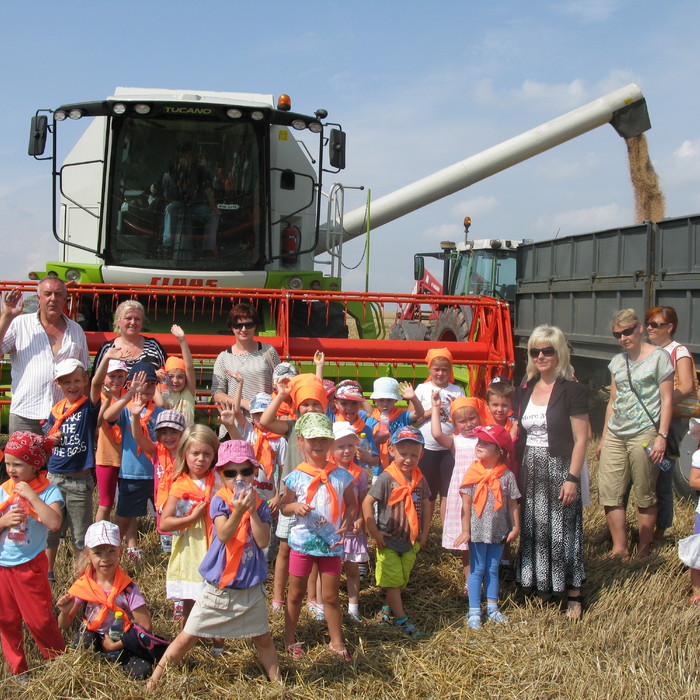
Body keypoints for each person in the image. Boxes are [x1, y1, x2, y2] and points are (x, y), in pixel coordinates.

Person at [147, 441, 280, 688]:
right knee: (188, 636)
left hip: (249, 584)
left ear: (254, 472)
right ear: (221, 474)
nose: (238, 477)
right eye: (230, 473)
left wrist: (251, 512)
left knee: (263, 639)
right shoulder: (220, 500)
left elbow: (262, 541)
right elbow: (225, 534)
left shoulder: (260, 504)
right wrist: (238, 512)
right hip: (220, 585)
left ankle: (279, 685)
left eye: (245, 472)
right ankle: (153, 682)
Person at [515, 324, 590, 620]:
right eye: (535, 351)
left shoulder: (572, 389)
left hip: (560, 465)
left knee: (563, 529)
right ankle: (542, 584)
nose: (541, 356)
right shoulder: (527, 388)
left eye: (547, 350)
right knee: (535, 526)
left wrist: (572, 478)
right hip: (531, 467)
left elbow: (582, 438)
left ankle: (573, 592)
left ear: (559, 353)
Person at [279, 412, 356, 661]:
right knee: (295, 593)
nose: (319, 445)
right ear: (301, 441)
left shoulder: (342, 476)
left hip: (331, 544)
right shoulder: (296, 476)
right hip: (302, 543)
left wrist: (347, 522)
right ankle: (290, 637)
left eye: (324, 439)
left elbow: (352, 504)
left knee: (332, 595)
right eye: (313, 439)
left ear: (330, 442)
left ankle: (336, 641)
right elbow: (284, 506)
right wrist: (295, 508)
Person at [597, 310, 673, 561]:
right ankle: (620, 548)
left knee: (644, 493)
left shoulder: (660, 358)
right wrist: (606, 436)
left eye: (627, 331)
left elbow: (667, 399)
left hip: (645, 434)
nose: (623, 338)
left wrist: (661, 436)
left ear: (640, 328)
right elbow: (613, 401)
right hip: (617, 434)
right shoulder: (617, 362)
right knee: (610, 491)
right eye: (618, 334)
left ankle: (643, 548)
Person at [56, 520, 168, 679]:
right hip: (93, 635)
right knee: (82, 643)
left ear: (120, 552)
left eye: (111, 551)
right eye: (98, 553)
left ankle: (116, 658)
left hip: (120, 638)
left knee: (142, 672)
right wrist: (64, 613)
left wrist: (117, 643)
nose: (105, 558)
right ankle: (94, 668)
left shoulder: (128, 589)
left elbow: (146, 625)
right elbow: (64, 625)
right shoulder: (84, 585)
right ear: (88, 555)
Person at [258, 373, 328, 613]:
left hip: (318, 499)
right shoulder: (292, 426)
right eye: (305, 404)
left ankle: (311, 598)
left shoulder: (327, 430)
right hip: (291, 497)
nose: (310, 408)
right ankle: (278, 597)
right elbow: (265, 422)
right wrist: (282, 395)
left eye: (315, 403)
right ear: (297, 407)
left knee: (314, 550)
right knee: (286, 548)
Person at [0, 431, 66, 681]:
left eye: (18, 464)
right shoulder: (3, 490)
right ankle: (17, 669)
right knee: (6, 620)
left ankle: (59, 664)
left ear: (35, 463)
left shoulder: (48, 492)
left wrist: (31, 496)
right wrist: (4, 521)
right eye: (8, 463)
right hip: (2, 566)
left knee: (39, 621)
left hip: (29, 566)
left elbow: (54, 523)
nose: (11, 469)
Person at [363, 426, 431, 639]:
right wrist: (374, 531)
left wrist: (425, 532)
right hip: (389, 539)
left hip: (410, 540)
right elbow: (367, 502)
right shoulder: (387, 478)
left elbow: (428, 505)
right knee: (392, 581)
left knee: (400, 580)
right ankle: (401, 619)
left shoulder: (420, 478)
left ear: (422, 454)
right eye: (403, 454)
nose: (408, 459)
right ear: (391, 451)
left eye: (414, 455)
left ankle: (387, 609)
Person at [0, 277, 89, 434]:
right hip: (25, 414)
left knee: (60, 460)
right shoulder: (19, 324)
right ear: (39, 297)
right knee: (21, 460)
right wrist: (6, 316)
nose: (53, 299)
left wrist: (87, 414)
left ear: (65, 299)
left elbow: (84, 375)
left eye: (58, 294)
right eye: (48, 294)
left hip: (65, 415)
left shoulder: (76, 330)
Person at [159, 424, 221, 645]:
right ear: (185, 453)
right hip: (190, 547)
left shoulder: (219, 479)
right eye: (195, 453)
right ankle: (186, 642)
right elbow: (165, 523)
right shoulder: (179, 485)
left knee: (216, 597)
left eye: (207, 454)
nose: (200, 459)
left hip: (214, 545)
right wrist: (191, 519)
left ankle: (217, 645)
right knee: (190, 599)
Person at [45, 357, 106, 580]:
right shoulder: (55, 411)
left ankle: (82, 580)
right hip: (54, 478)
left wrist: (106, 358)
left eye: (76, 381)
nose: (72, 386)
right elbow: (46, 439)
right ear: (59, 385)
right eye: (66, 382)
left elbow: (98, 386)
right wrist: (51, 438)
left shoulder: (88, 407)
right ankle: (48, 573)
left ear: (85, 381)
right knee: (50, 531)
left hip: (79, 482)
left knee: (81, 536)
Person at [454, 425, 520, 629]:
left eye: (485, 443)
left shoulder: (506, 475)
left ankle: (492, 607)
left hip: (498, 530)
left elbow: (512, 503)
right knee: (477, 569)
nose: (479, 445)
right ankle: (474, 610)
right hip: (478, 530)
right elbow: (465, 504)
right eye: (479, 441)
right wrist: (466, 530)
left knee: (492, 569)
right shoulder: (472, 473)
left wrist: (516, 527)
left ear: (500, 450)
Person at [644, 306, 697, 543]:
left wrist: (661, 402)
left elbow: (687, 387)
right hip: (650, 420)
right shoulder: (650, 351)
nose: (649, 328)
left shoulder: (679, 352)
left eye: (655, 324)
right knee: (644, 474)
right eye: (648, 323)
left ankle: (660, 531)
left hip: (671, 422)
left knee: (662, 477)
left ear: (670, 327)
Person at [431, 395, 493, 595]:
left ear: (480, 417)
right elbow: (436, 433)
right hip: (463, 495)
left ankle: (488, 580)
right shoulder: (455, 441)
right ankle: (471, 583)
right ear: (455, 423)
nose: (468, 424)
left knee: (484, 538)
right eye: (462, 421)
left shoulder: (486, 439)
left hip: (485, 493)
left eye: (472, 418)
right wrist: (435, 407)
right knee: (467, 544)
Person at [102, 362, 164, 560]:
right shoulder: (127, 409)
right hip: (132, 473)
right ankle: (111, 553)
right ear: (130, 384)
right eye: (142, 383)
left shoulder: (159, 412)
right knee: (124, 517)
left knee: (163, 515)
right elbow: (107, 416)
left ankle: (166, 552)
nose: (147, 388)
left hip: (157, 474)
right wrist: (129, 395)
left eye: (152, 384)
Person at [211, 303, 280, 434]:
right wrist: (244, 403)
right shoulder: (223, 357)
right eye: (238, 325)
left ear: (255, 326)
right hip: (235, 425)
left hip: (266, 422)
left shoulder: (269, 351)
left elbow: (280, 383)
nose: (243, 329)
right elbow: (217, 394)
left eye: (248, 325)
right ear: (231, 327)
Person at [415, 348, 465, 523]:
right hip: (426, 448)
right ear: (429, 369)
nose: (440, 373)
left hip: (449, 448)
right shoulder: (422, 389)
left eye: (445, 369)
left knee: (447, 491)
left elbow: (463, 418)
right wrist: (433, 410)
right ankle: (424, 532)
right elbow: (413, 418)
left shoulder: (457, 391)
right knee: (428, 494)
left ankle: (446, 534)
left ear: (450, 370)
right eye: (436, 369)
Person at [332, 421, 370, 621]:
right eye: (341, 446)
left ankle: (353, 608)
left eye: (350, 446)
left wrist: (362, 519)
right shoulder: (327, 471)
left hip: (352, 528)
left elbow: (364, 499)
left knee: (352, 570)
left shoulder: (360, 473)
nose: (346, 451)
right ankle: (327, 605)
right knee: (330, 570)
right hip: (333, 529)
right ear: (331, 447)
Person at [161, 142, 220, 256]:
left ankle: (208, 250)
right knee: (169, 209)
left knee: (212, 215)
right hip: (177, 205)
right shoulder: (171, 171)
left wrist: (213, 206)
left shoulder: (201, 171)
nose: (187, 158)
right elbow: (164, 190)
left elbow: (208, 189)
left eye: (190, 155)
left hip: (194, 207)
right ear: (180, 156)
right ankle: (167, 246)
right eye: (185, 155)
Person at [365, 377, 425, 479]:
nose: (384, 404)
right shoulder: (371, 420)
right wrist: (377, 441)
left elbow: (419, 414)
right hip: (379, 469)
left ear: (395, 400)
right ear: (374, 400)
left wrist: (413, 399)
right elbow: (367, 446)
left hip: (402, 468)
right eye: (381, 400)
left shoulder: (402, 415)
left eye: (389, 400)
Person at [94, 356, 129, 523]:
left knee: (126, 505)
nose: (116, 380)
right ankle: (99, 539)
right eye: (112, 376)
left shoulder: (129, 396)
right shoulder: (99, 397)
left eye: (120, 376)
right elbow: (99, 422)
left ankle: (128, 542)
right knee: (105, 503)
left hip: (127, 458)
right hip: (106, 457)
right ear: (104, 378)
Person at [92, 300, 167, 376]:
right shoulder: (108, 348)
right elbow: (95, 381)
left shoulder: (153, 346)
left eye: (137, 319)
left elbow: (169, 374)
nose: (133, 322)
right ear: (118, 322)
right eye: (128, 318)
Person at [156, 324, 197, 426]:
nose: (175, 380)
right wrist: (154, 375)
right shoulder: (163, 391)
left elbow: (189, 367)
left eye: (180, 377)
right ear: (165, 377)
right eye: (171, 376)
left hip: (186, 438)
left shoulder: (188, 393)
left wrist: (182, 340)